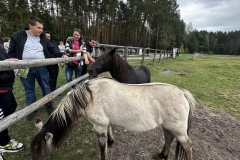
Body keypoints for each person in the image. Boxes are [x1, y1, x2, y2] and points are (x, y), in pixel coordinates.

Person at [8, 17, 68, 121]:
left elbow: (51, 47)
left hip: (41, 67)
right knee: (29, 89)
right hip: (24, 67)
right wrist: (13, 65)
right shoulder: (17, 36)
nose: (41, 30)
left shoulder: (43, 37)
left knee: (46, 86)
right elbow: (11, 52)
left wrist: (61, 54)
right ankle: (31, 109)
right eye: (38, 27)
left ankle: (48, 105)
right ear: (30, 25)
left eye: (42, 28)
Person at [0, 37, 24, 153]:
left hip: (6, 85)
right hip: (1, 87)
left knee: (11, 107)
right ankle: (3, 143)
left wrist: (9, 62)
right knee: (1, 116)